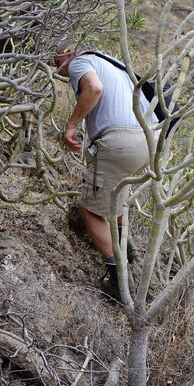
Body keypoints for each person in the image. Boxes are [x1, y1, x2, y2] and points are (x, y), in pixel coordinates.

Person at [54, 38, 155, 299]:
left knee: (89, 209)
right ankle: (128, 252)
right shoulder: (116, 65)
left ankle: (118, 278)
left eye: (58, 66)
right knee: (113, 198)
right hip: (147, 141)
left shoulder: (81, 62)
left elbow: (94, 89)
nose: (61, 74)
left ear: (68, 54)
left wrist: (72, 125)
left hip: (118, 142)